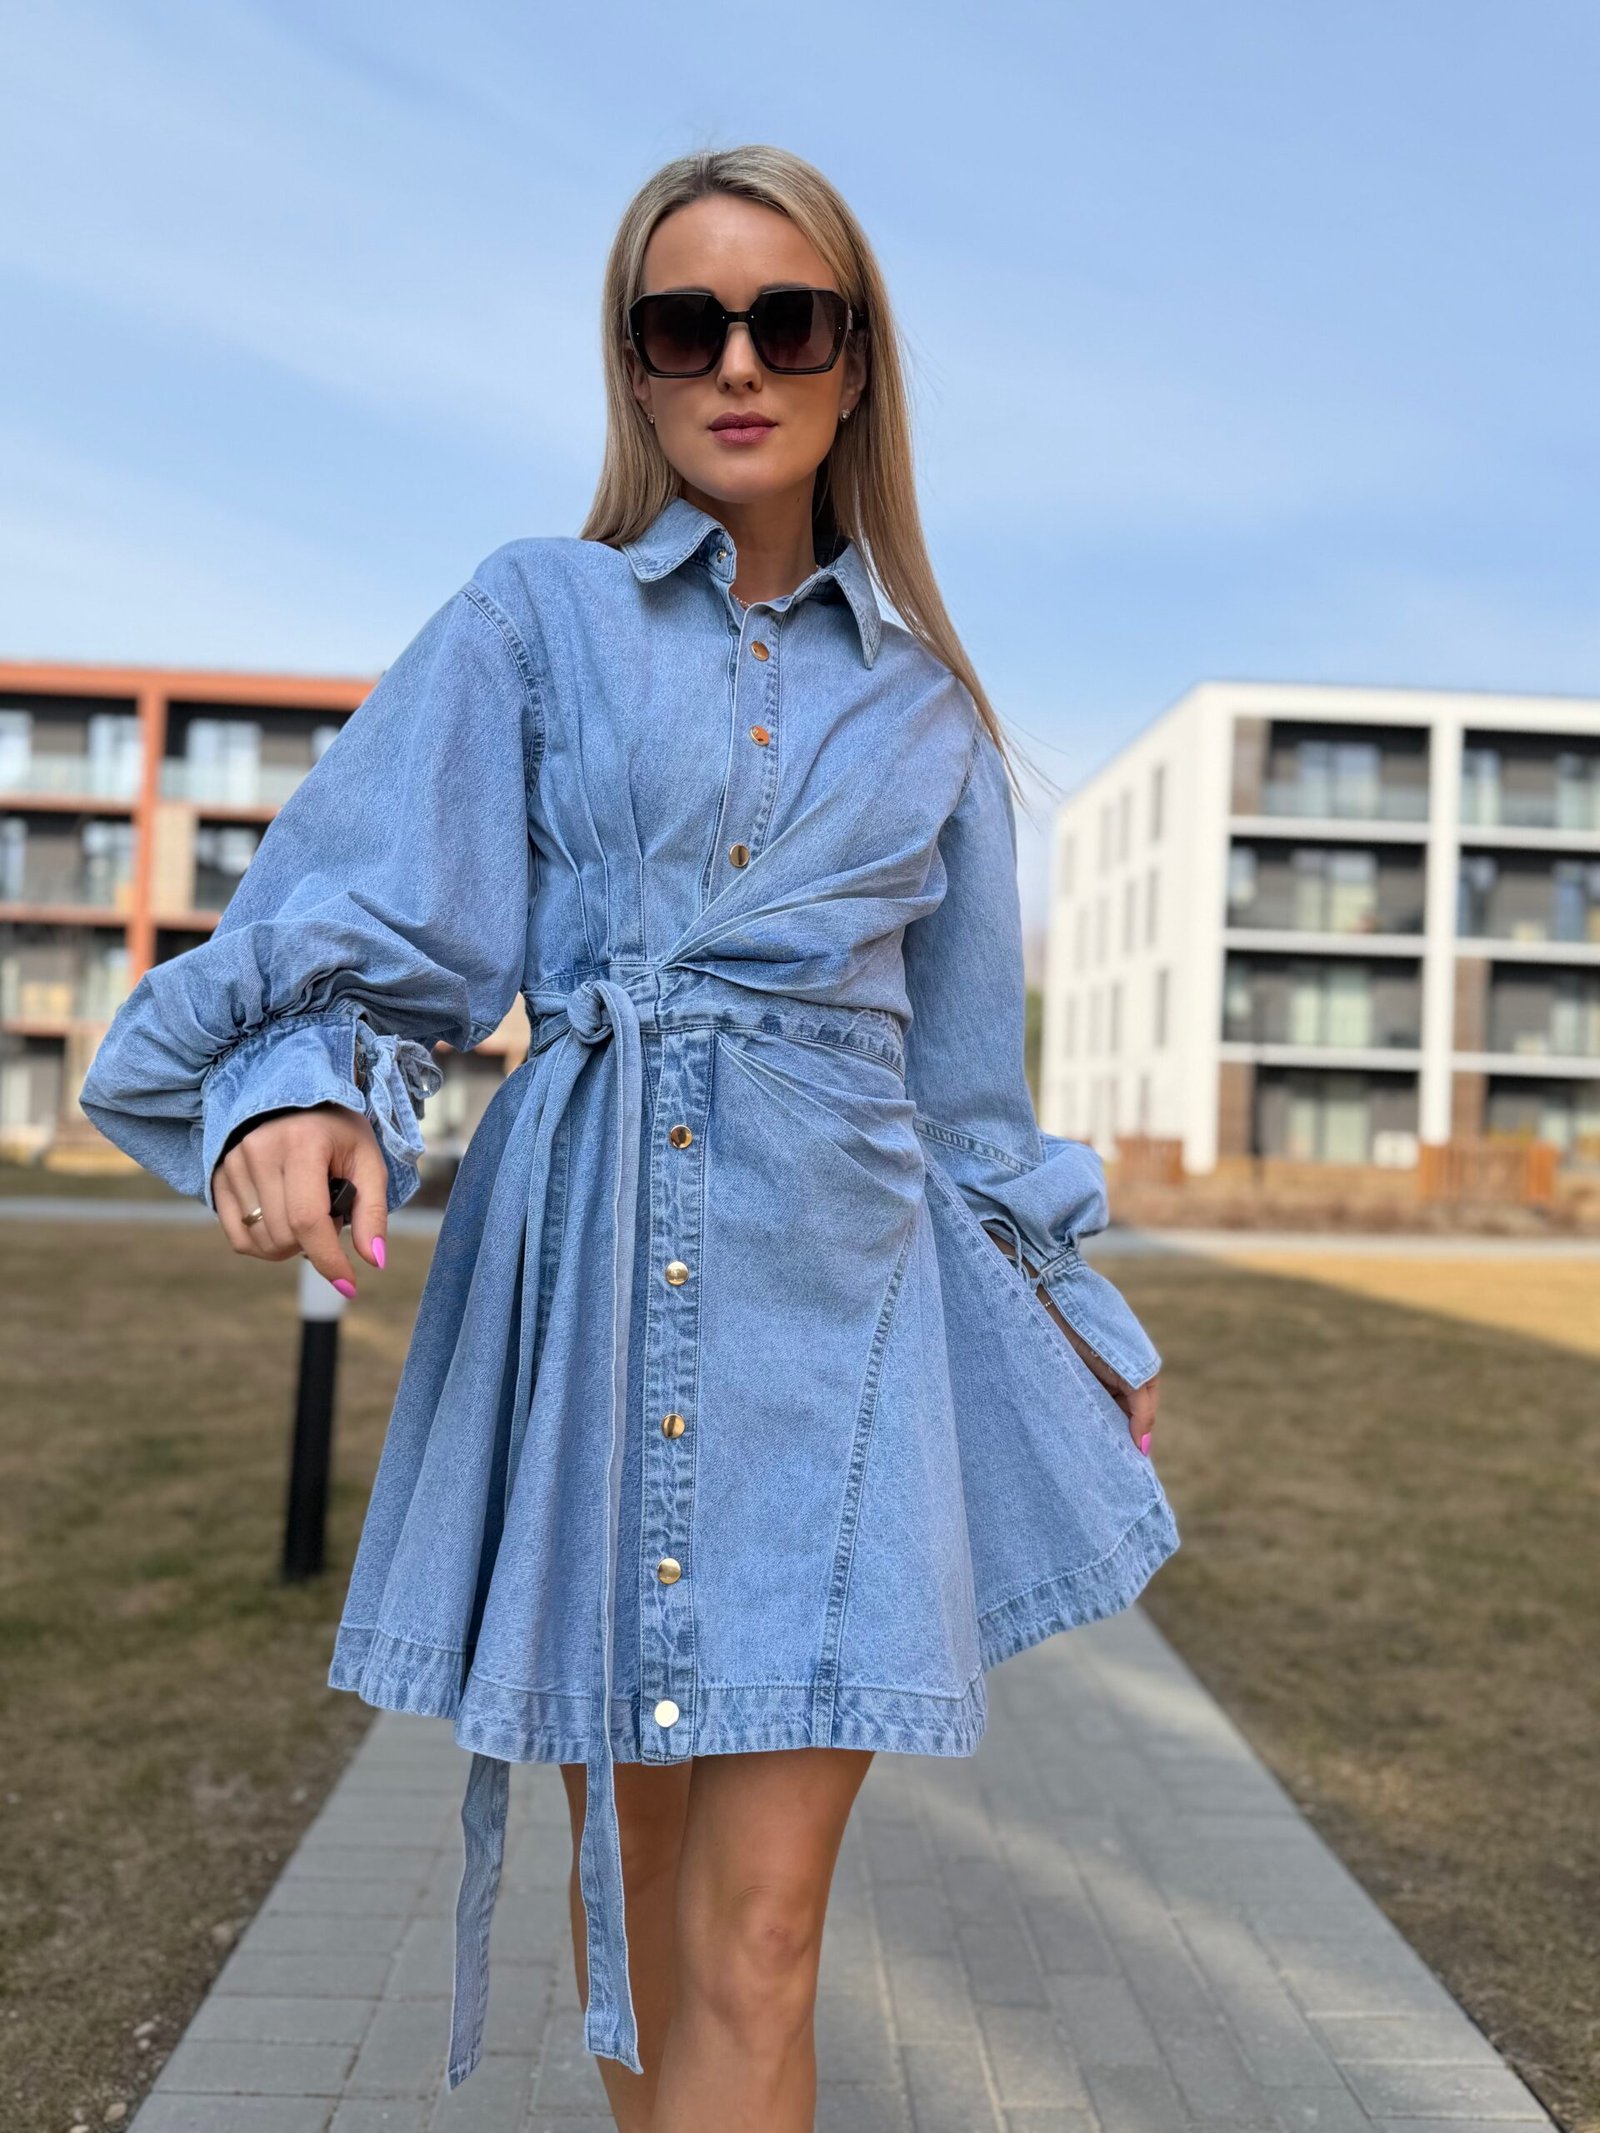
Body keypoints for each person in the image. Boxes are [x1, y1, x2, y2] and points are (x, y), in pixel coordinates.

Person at [78, 144, 1178, 2133]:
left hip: (842, 1335)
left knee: (760, 1934)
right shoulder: (534, 617)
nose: (738, 361)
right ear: (636, 364)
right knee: (637, 1881)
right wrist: (302, 1086)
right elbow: (368, 920)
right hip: (598, 1301)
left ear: (855, 362)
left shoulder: (934, 716)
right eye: (687, 324)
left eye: (789, 320)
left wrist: (1071, 1317)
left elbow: (966, 1108)